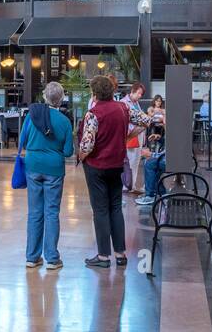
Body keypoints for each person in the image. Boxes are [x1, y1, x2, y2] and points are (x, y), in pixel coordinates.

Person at [20, 82, 75, 270]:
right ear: (61, 99)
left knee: (34, 212)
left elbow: (22, 141)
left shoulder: (31, 116)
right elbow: (68, 151)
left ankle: (32, 257)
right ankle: (52, 257)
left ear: (44, 97)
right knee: (52, 212)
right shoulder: (65, 121)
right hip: (54, 169)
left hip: (33, 165)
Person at [78, 74, 131, 268]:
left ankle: (102, 256)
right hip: (117, 164)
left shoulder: (94, 113)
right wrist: (127, 136)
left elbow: (87, 145)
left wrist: (81, 158)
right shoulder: (123, 108)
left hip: (97, 167)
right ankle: (121, 253)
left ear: (94, 93)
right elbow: (145, 121)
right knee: (115, 208)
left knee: (100, 210)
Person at [123, 82, 147, 195]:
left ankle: (132, 185)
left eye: (141, 94)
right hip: (131, 135)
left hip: (139, 134)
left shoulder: (136, 103)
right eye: (139, 93)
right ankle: (128, 185)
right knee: (131, 161)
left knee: (136, 161)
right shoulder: (124, 102)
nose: (140, 96)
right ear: (132, 91)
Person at [136, 120, 167, 206]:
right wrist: (159, 138)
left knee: (150, 164)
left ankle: (149, 195)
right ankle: (161, 192)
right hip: (175, 160)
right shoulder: (175, 129)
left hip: (173, 162)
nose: (163, 122)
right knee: (153, 164)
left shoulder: (174, 131)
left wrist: (151, 154)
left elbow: (168, 154)